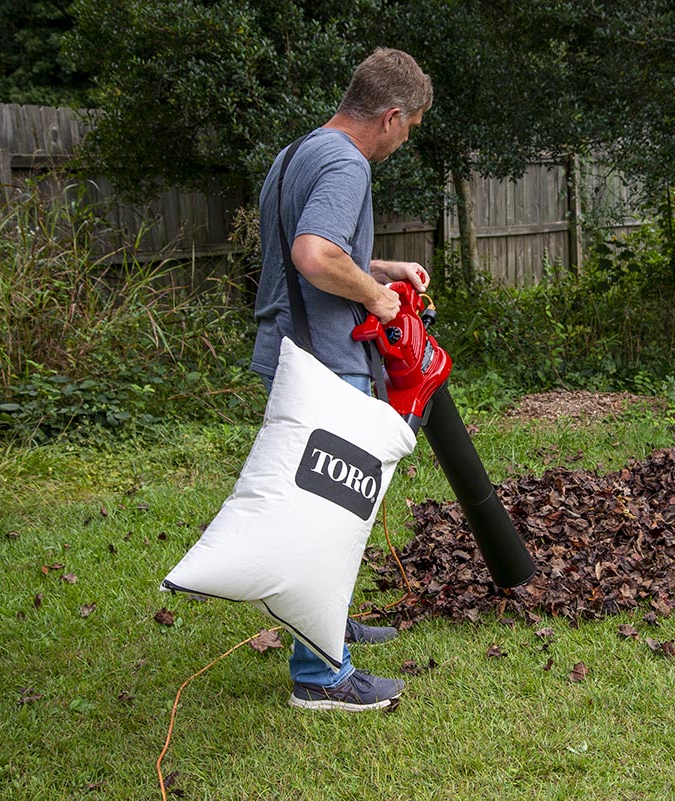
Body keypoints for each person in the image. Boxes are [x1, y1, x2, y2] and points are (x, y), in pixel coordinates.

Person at [251, 48, 433, 712]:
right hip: (324, 361)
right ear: (390, 116)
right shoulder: (346, 163)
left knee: (324, 505)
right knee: (328, 514)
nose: (404, 139)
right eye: (408, 126)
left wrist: (380, 270)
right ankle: (321, 674)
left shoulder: (297, 152)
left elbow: (320, 251)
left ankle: (329, 624)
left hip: (292, 350)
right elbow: (313, 255)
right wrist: (379, 301)